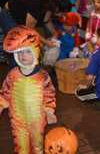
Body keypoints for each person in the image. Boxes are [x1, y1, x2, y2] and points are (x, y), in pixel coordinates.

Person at [0, 25, 57, 153]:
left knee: (38, 146)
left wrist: (49, 111)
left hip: (37, 121)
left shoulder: (43, 76)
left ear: (35, 51)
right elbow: (5, 93)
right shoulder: (12, 75)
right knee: (21, 148)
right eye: (19, 52)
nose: (23, 56)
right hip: (18, 122)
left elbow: (49, 95)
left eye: (27, 51)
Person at [0, 0, 71, 46]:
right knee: (17, 44)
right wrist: (46, 42)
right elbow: (30, 29)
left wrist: (54, 33)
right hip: (9, 15)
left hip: (20, 19)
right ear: (57, 8)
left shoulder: (50, 6)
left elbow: (46, 20)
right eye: (63, 13)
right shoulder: (38, 5)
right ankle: (15, 65)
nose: (62, 16)